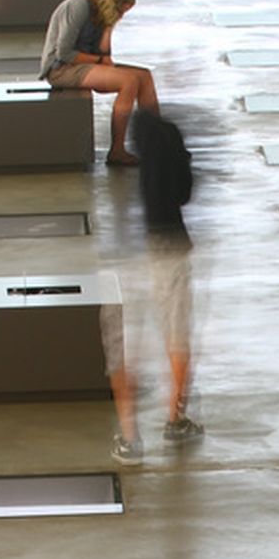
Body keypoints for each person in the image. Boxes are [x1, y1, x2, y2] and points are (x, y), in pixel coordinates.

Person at [105, 109, 200, 463]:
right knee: (176, 336)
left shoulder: (135, 141)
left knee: (125, 347)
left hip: (126, 252)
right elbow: (183, 192)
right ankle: (174, 419)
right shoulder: (168, 143)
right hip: (170, 248)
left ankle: (130, 436)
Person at [39, 0, 159, 166]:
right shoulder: (79, 6)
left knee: (144, 76)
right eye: (120, 12)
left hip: (86, 65)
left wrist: (109, 28)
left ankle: (156, 142)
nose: (121, 17)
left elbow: (105, 58)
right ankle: (117, 151)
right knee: (129, 81)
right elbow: (64, 52)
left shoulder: (104, 15)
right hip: (61, 68)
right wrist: (98, 61)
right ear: (113, 4)